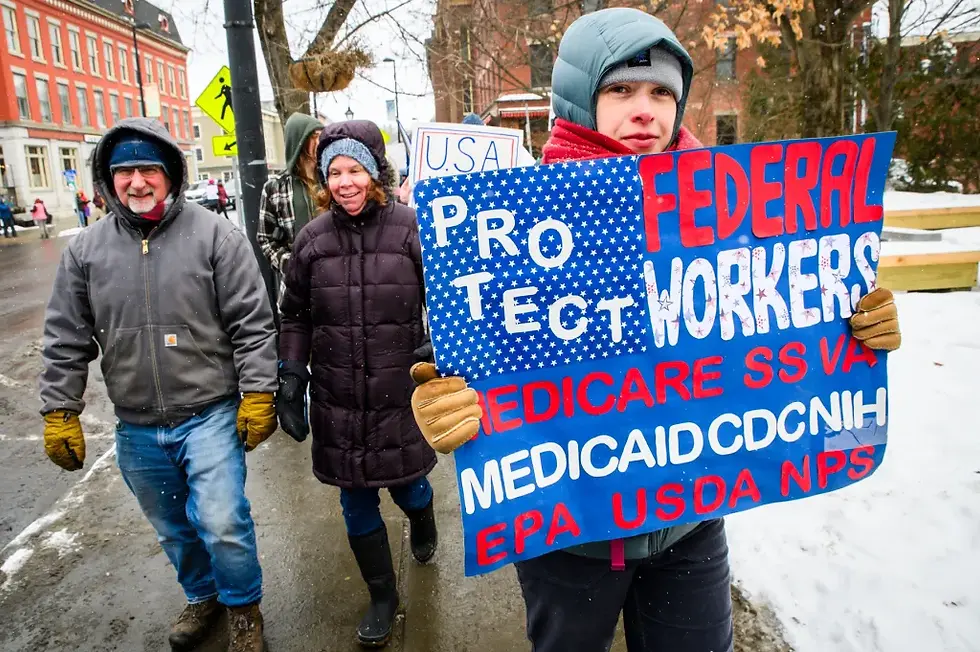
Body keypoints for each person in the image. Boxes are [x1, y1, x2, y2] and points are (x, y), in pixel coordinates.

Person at [408, 8, 904, 652]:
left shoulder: (728, 210)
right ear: (579, 99)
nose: (645, 110)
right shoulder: (510, 219)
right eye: (620, 89)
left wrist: (849, 329)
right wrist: (443, 394)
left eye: (661, 93)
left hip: (689, 522)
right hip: (568, 536)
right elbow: (462, 342)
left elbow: (768, 318)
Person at [38, 117, 278, 652]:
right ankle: (203, 595)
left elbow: (252, 323)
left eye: (148, 168)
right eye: (124, 172)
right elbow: (65, 336)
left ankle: (243, 608)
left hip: (209, 414)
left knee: (222, 521)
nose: (137, 181)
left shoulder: (215, 236)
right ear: (109, 180)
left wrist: (259, 391)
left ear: (170, 172)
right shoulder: (86, 250)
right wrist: (60, 409)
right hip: (137, 425)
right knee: (173, 528)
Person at [276, 120, 437, 648]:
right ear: (324, 180)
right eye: (335, 172)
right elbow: (295, 315)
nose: (345, 183)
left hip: (398, 393)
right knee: (356, 502)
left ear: (375, 173)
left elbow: (447, 299)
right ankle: (382, 595)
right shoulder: (311, 240)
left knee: (408, 485)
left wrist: (439, 345)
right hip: (337, 398)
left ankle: (423, 516)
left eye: (356, 170)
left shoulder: (411, 229)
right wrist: (291, 375)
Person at [257, 113, 323, 309]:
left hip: (335, 284)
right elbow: (265, 239)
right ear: (300, 141)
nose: (321, 141)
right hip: (295, 290)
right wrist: (290, 265)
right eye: (315, 136)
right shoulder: (275, 187)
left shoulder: (332, 180)